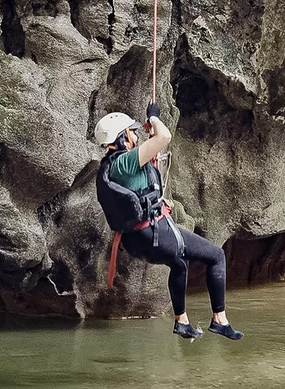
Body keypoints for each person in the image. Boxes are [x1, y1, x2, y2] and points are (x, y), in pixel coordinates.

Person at [94, 100, 243, 340]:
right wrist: (153, 118)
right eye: (131, 132)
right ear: (120, 138)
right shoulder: (125, 161)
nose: (135, 135)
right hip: (155, 235)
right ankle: (219, 320)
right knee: (216, 256)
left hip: (136, 240)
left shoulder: (111, 167)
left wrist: (160, 205)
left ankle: (182, 321)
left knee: (179, 265)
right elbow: (164, 137)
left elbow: (138, 196)